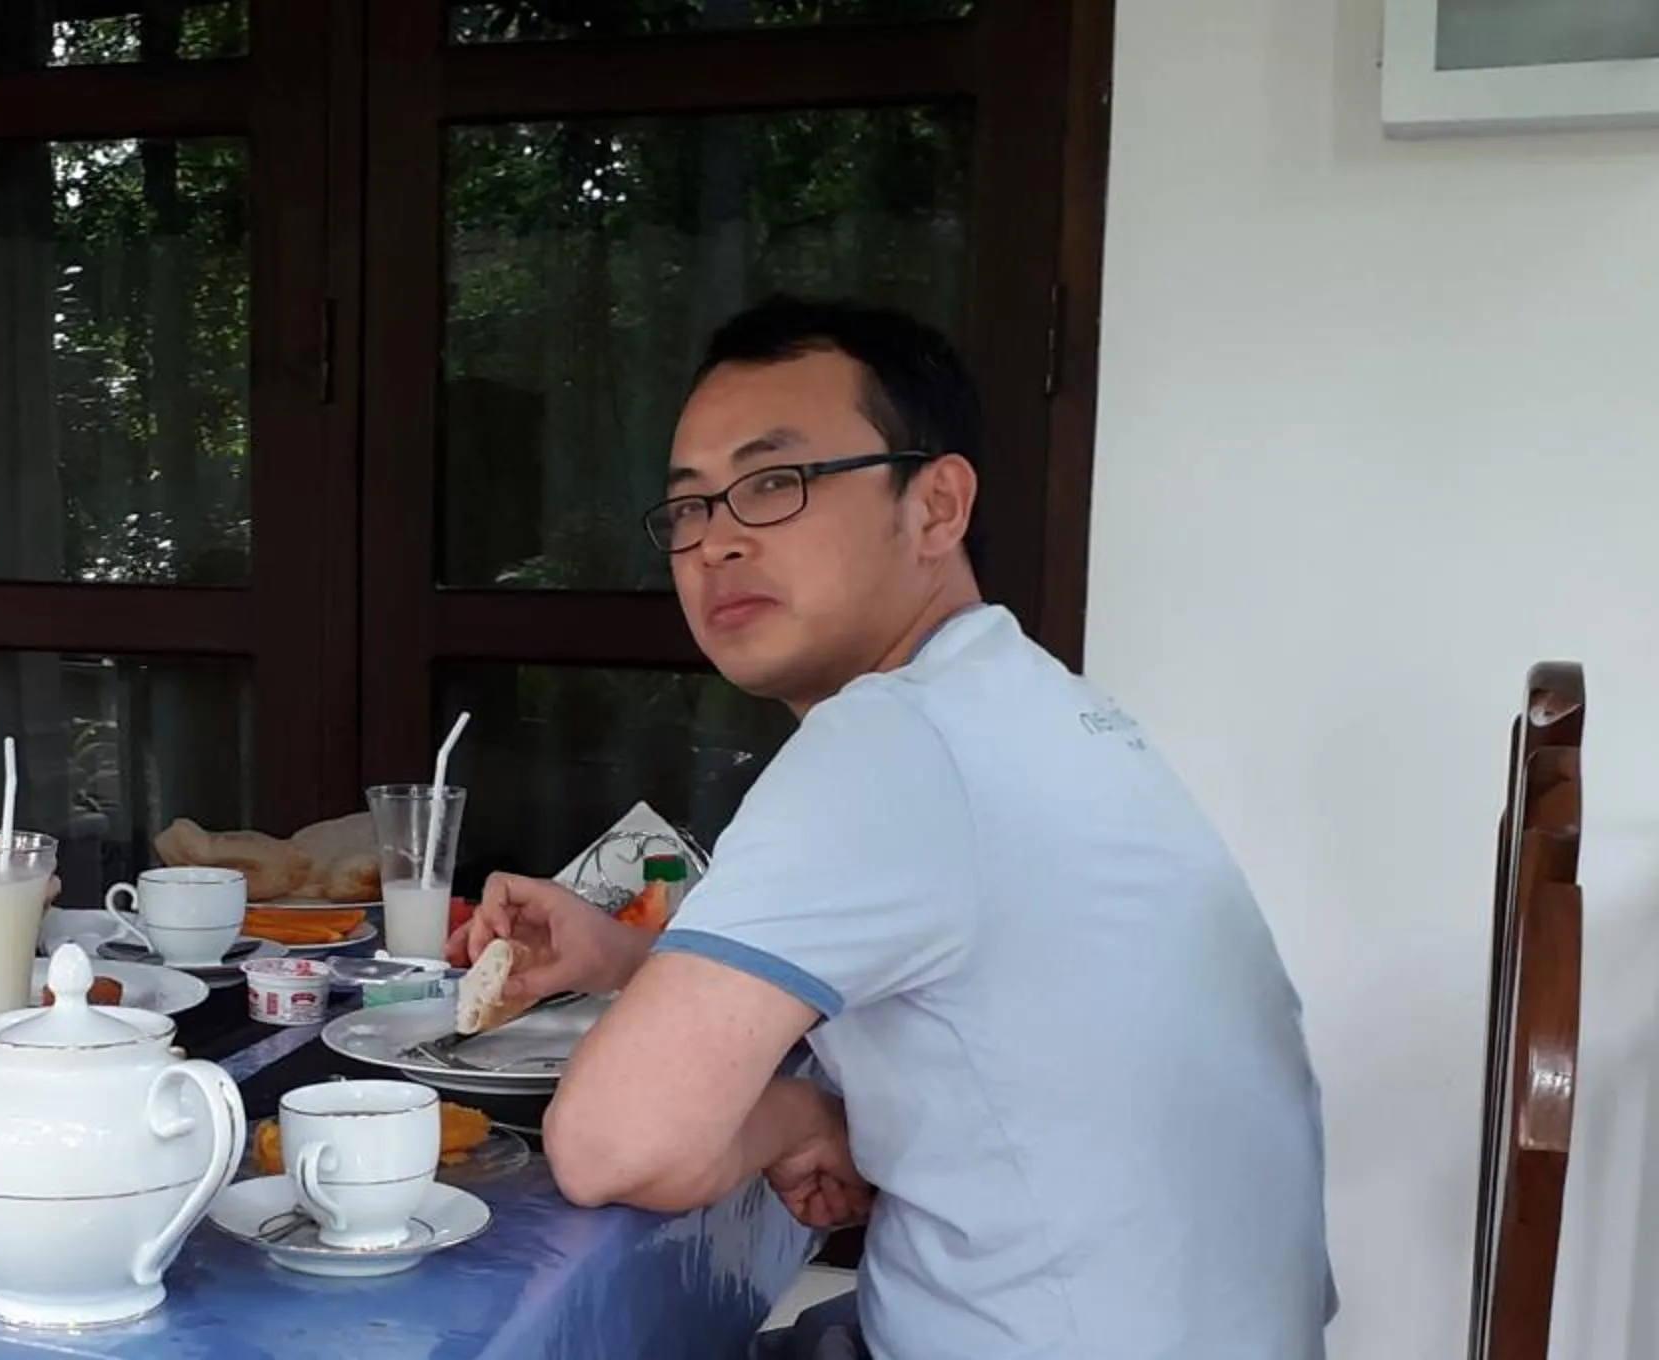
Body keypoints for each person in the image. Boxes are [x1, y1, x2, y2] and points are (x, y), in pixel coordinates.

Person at [451, 298, 1334, 1357]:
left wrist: (797, 1119)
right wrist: (627, 956)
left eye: (776, 482)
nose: (718, 540)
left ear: (937, 506)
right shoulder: (1020, 703)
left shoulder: (893, 738)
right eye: (688, 508)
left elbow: (612, 1146)